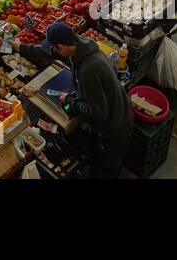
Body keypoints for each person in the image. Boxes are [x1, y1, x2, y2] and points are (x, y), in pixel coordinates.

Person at [13, 21, 132, 178]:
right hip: (116, 113)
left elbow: (98, 114)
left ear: (61, 47)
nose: (54, 50)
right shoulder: (81, 45)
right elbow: (48, 52)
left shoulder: (90, 70)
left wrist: (70, 100)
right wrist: (20, 47)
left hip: (114, 129)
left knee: (104, 169)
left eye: (55, 47)